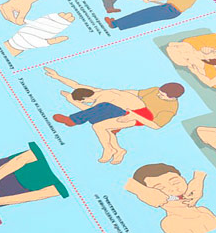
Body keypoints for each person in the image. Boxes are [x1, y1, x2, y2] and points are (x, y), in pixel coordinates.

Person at [46, 67, 184, 164]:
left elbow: (156, 126)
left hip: (141, 116)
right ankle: (118, 150)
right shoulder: (154, 90)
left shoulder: (170, 109)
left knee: (99, 125)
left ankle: (107, 148)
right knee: (105, 124)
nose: (158, 95)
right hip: (126, 107)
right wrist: (58, 77)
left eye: (162, 96)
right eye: (159, 92)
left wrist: (134, 115)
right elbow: (78, 86)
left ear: (172, 98)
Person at [125, 163, 216, 233]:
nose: (173, 189)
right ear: (147, 195)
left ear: (183, 179)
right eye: (160, 188)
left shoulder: (204, 210)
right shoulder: (171, 223)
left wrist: (198, 179)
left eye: (175, 182)